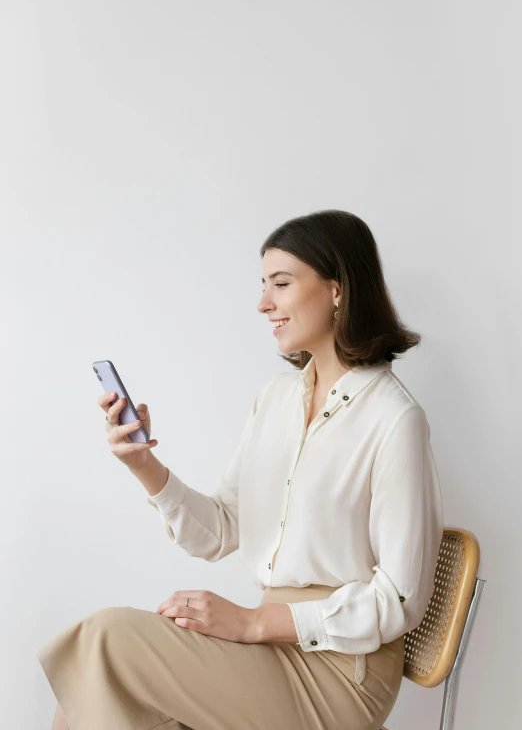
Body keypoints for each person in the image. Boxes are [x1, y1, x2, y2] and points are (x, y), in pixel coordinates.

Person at [37, 210, 444, 730]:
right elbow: (222, 529)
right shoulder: (274, 400)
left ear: (337, 289)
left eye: (281, 283)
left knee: (104, 639)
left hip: (342, 673)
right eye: (263, 285)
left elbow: (401, 600)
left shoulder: (394, 419)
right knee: (76, 708)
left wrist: (256, 622)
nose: (263, 303)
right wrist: (144, 465)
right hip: (268, 654)